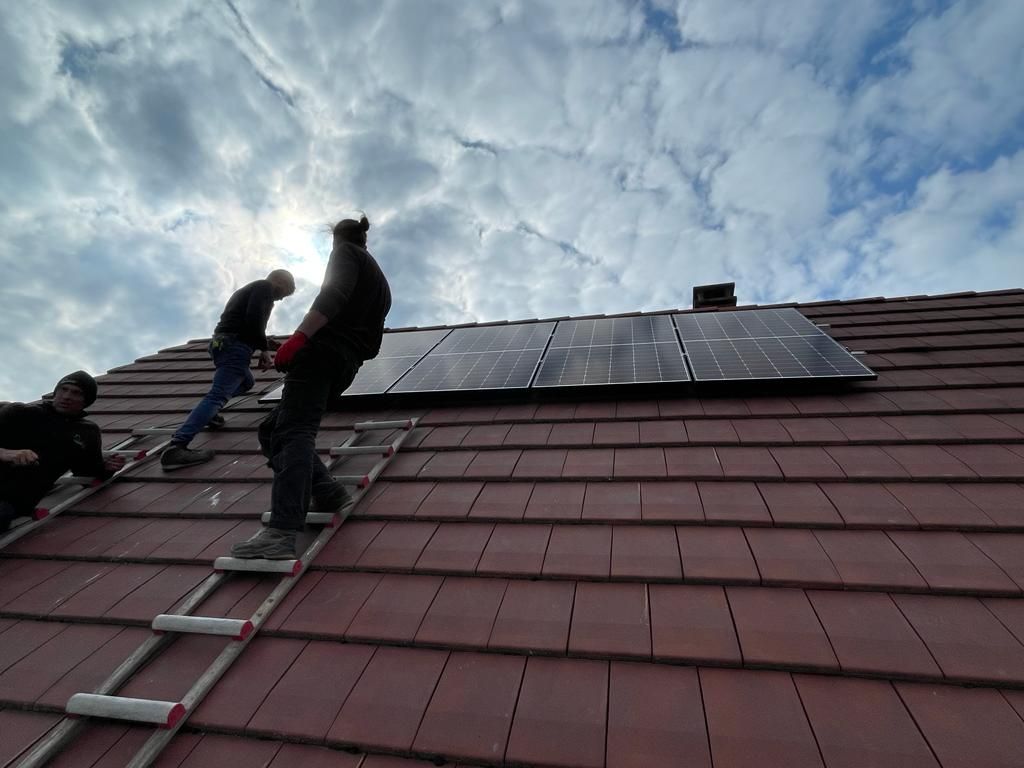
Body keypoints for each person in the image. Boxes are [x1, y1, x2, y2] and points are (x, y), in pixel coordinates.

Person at [231, 215, 391, 559]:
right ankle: (327, 491)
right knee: (271, 430)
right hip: (345, 365)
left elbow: (334, 293)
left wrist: (301, 337)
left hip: (321, 354)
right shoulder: (381, 282)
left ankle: (282, 531)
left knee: (293, 433)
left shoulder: (345, 253)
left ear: (336, 239)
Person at [161, 269, 296, 471]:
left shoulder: (249, 290)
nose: (280, 299)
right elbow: (254, 319)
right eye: (283, 293)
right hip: (234, 346)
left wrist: (265, 344)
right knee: (218, 395)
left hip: (222, 343)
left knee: (247, 382)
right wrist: (263, 350)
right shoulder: (264, 287)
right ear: (279, 280)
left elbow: (243, 324)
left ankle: (209, 414)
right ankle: (177, 446)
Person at [0, 371, 125, 533]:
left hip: (13, 503)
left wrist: (108, 468)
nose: (66, 396)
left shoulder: (86, 432)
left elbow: (87, 471)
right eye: (63, 389)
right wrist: (4, 453)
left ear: (86, 400)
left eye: (76, 393)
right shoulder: (21, 413)